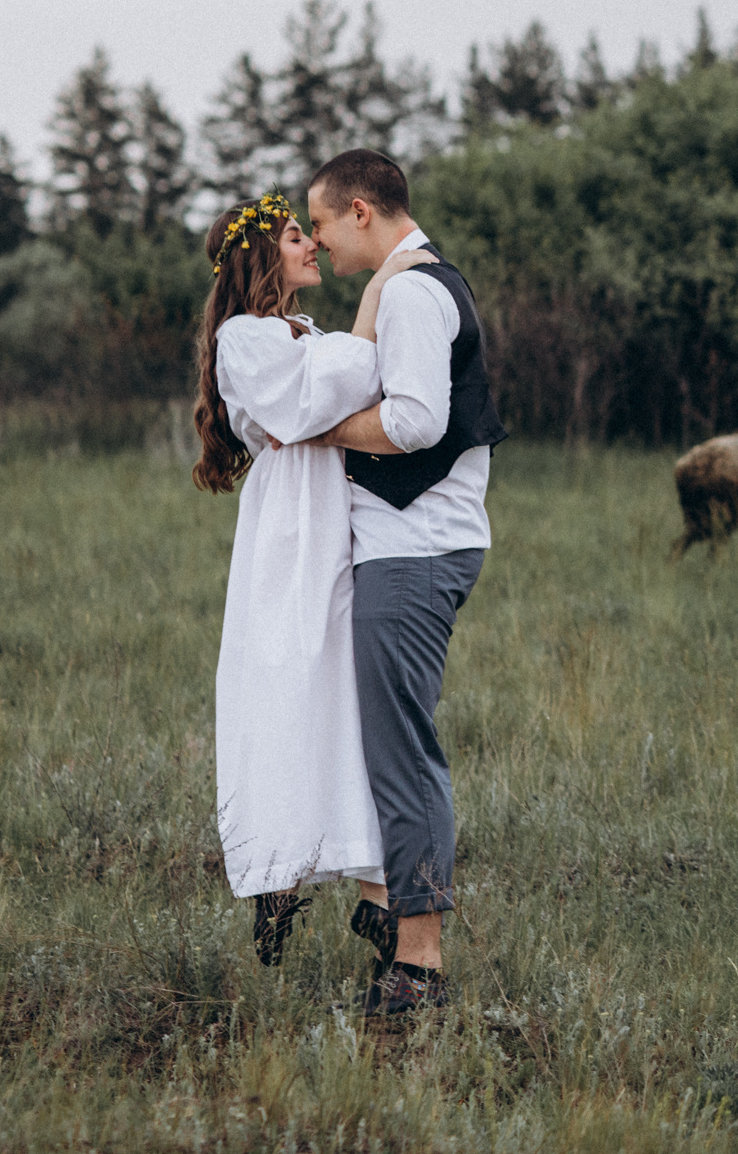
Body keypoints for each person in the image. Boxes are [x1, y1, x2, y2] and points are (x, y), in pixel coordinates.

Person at [190, 193, 436, 969]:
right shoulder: (245, 337)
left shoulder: (305, 333)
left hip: (339, 515)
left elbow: (356, 385)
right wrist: (370, 309)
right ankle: (278, 873)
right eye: (297, 237)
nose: (312, 247)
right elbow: (310, 401)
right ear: (263, 254)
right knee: (288, 688)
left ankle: (373, 887)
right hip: (290, 528)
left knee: (343, 695)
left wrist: (352, 343)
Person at [304, 147, 509, 1018]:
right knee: (378, 735)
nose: (313, 242)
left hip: (416, 548)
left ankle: (419, 963)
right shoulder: (399, 284)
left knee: (403, 748)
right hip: (400, 546)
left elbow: (418, 421)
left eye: (317, 223)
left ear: (359, 209)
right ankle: (387, 906)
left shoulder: (416, 292)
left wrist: (315, 431)